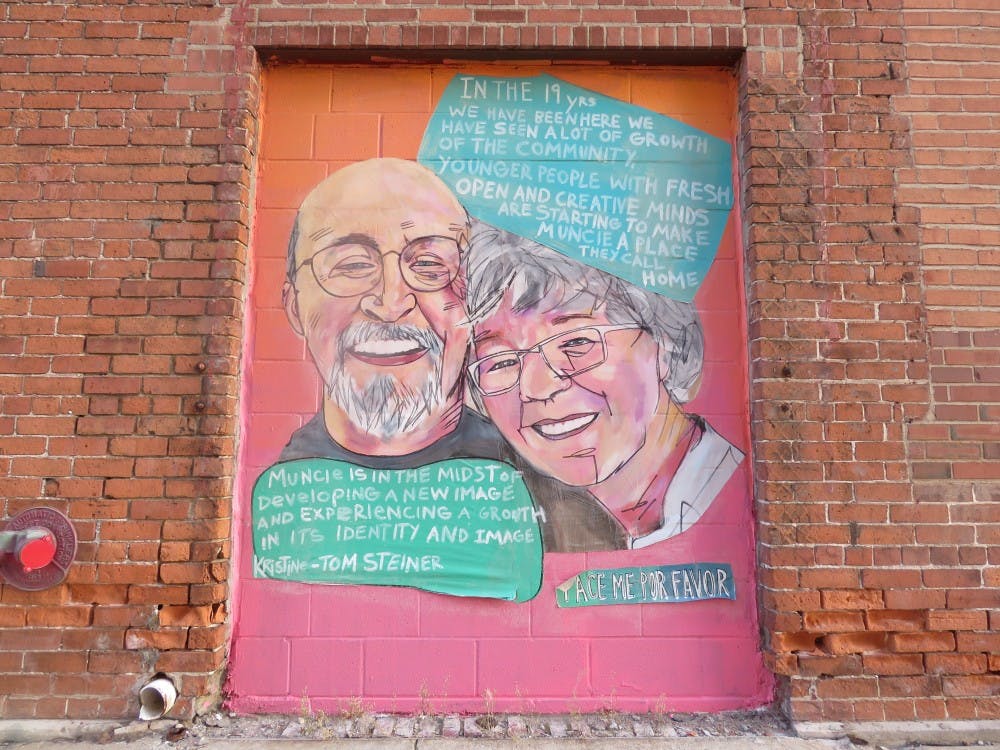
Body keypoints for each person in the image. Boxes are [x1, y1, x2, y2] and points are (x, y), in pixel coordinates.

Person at [464, 221, 744, 550]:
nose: (536, 387)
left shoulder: (736, 493)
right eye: (502, 362)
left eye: (576, 342)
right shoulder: (530, 536)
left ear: (664, 343)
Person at [278, 158, 503, 468]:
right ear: (295, 308)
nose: (390, 302)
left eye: (429, 264)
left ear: (475, 301)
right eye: (352, 265)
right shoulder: (278, 486)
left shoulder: (534, 489)